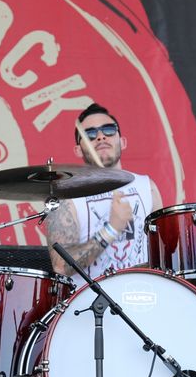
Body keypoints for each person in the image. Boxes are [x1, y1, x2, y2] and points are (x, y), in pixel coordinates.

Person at [45, 103, 163, 283]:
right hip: (91, 299)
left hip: (142, 295)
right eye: (90, 134)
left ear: (122, 141)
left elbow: (163, 251)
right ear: (78, 150)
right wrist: (111, 229)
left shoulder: (147, 187)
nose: (101, 136)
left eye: (108, 130)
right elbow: (61, 266)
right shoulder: (66, 197)